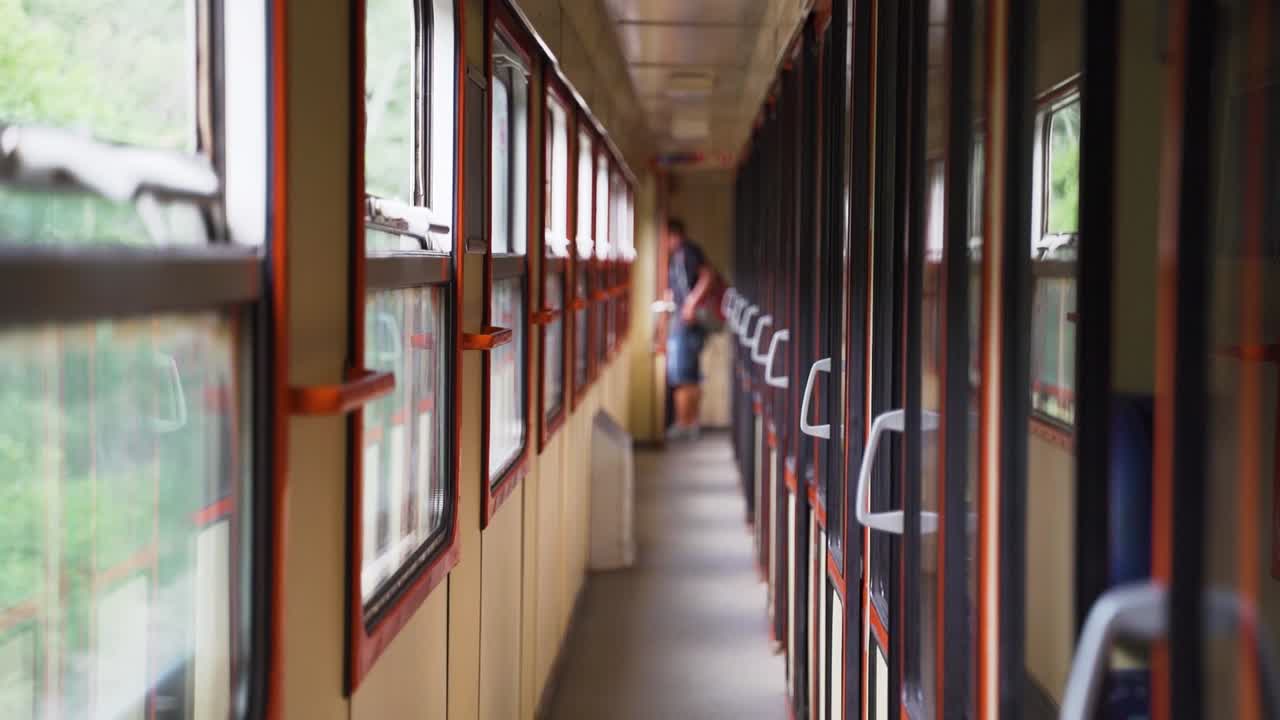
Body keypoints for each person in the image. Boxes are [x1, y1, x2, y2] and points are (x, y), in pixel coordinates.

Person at [664, 218, 715, 440]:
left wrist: (691, 303)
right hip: (682, 319)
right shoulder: (676, 257)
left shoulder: (688, 252)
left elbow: (707, 275)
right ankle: (688, 422)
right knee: (687, 373)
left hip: (687, 321)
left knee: (683, 374)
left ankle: (686, 422)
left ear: (674, 236)